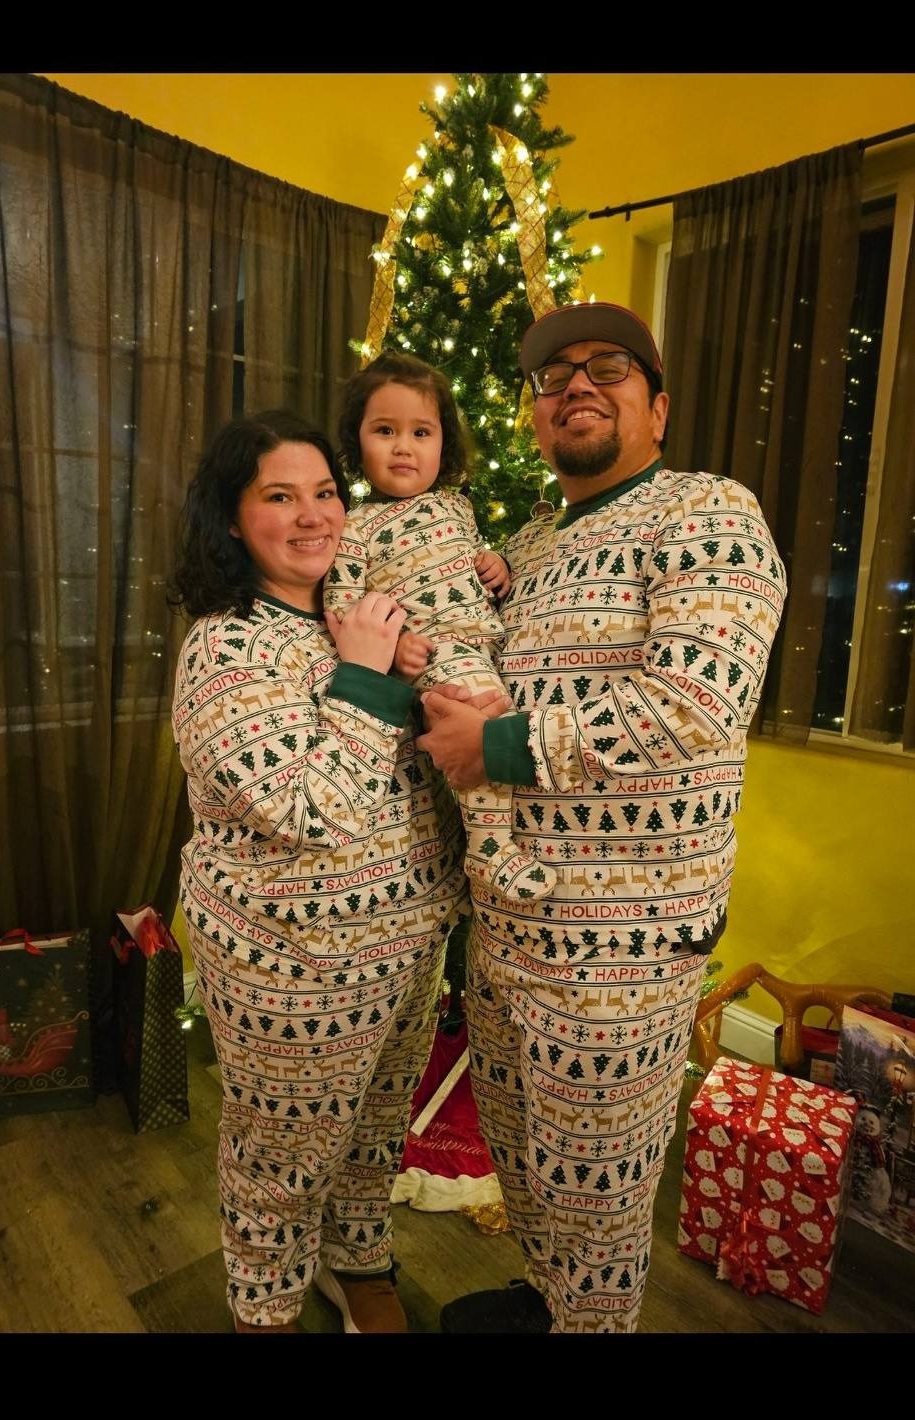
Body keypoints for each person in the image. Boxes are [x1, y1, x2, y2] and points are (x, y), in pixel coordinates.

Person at [416, 302, 787, 1333]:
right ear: (537, 416)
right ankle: (545, 1300)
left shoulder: (707, 512)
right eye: (553, 376)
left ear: (656, 409)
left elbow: (696, 704)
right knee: (523, 1158)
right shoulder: (529, 543)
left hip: (622, 951)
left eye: (608, 368)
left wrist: (494, 748)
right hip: (505, 927)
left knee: (599, 1198)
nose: (575, 384)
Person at [169, 409, 472, 1332]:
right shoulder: (223, 648)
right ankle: (264, 1306)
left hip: (409, 944)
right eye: (280, 496)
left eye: (327, 492)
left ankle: (357, 1261)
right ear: (232, 519)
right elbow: (316, 811)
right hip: (295, 968)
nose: (314, 516)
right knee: (283, 1159)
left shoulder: (355, 614)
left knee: (377, 1129)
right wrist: (369, 673)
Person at [325, 351, 555, 904]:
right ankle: (490, 846)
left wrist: (493, 564)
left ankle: (495, 837)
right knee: (481, 720)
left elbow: (473, 559)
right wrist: (394, 647)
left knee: (503, 718)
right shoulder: (355, 526)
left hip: (485, 641)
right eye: (385, 431)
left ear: (443, 445)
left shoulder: (457, 508)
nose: (403, 447)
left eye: (421, 432)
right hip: (437, 652)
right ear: (357, 442)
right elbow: (341, 608)